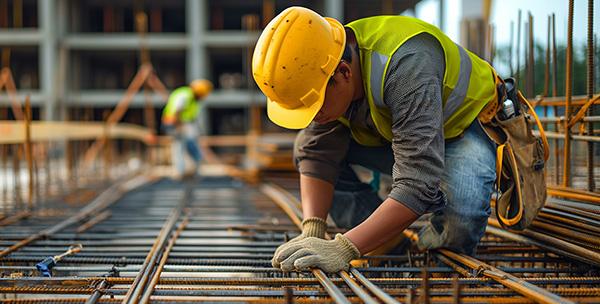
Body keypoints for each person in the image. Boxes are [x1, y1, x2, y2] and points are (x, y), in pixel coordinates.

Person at [252, 7, 503, 273]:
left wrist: (344, 247)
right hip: (401, 131)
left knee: (462, 217)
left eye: (315, 105)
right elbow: (317, 153)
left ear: (344, 73)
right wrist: (313, 228)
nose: (313, 116)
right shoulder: (322, 60)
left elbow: (418, 181)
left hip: (462, 127)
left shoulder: (406, 65)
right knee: (307, 145)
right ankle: (390, 241)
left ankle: (438, 267)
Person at [161, 79, 213, 178]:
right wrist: (178, 126)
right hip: (175, 123)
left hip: (182, 123)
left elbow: (189, 115)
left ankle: (190, 170)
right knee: (180, 146)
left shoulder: (192, 98)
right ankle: (181, 171)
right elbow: (177, 110)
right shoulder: (186, 95)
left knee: (186, 145)